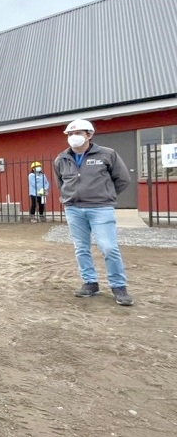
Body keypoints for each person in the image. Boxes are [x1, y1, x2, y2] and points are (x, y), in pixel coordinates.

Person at [54, 119, 134, 306]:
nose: (73, 137)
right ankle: (90, 282)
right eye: (70, 134)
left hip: (100, 208)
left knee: (109, 247)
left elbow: (122, 179)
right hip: (73, 209)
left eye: (78, 133)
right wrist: (69, 198)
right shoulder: (61, 159)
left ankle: (118, 286)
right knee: (81, 248)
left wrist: (106, 195)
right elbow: (61, 184)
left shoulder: (107, 155)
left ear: (89, 135)